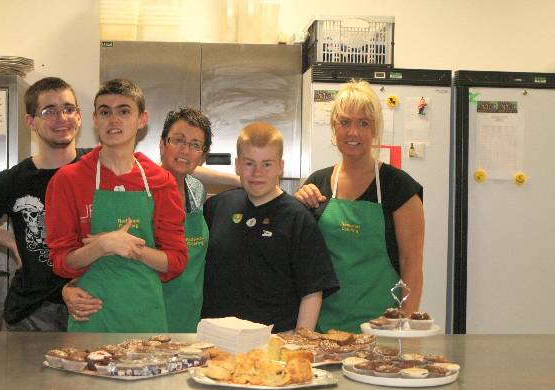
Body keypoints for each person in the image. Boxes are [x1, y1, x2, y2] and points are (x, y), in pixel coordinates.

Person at [45, 78, 188, 333]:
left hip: (145, 317)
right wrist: (103, 245)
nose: (114, 120)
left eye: (124, 111)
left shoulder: (161, 182)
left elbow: (175, 261)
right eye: (105, 112)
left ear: (142, 119)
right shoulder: (68, 180)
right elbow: (61, 261)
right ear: (95, 119)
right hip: (91, 316)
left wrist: (133, 249)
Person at [295, 80, 425, 333]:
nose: (352, 132)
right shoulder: (317, 185)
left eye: (363, 123)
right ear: (334, 127)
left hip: (382, 329)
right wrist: (299, 204)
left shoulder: (398, 187)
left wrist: (404, 325)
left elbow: (412, 263)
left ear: (375, 129)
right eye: (344, 122)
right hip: (323, 330)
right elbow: (301, 260)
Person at [0, 77, 85, 331]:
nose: (61, 118)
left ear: (79, 117)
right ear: (31, 122)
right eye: (49, 111)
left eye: (68, 109)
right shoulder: (15, 179)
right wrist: (12, 242)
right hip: (33, 314)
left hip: (89, 306)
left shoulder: (98, 167)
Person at [201, 122, 339, 333]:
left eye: (266, 164)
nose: (257, 172)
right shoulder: (216, 207)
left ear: (280, 166)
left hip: (277, 339)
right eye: (249, 163)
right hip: (216, 337)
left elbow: (313, 290)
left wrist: (299, 343)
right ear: (237, 165)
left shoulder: (297, 218)